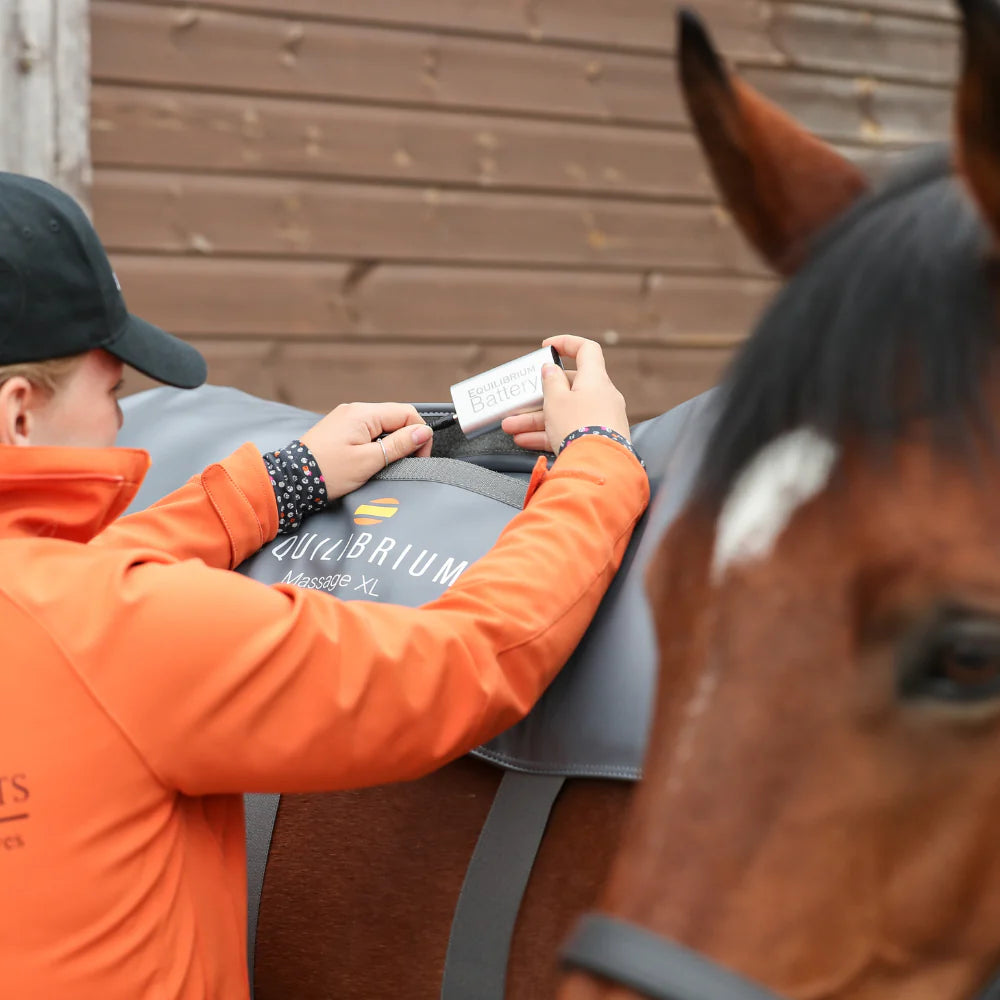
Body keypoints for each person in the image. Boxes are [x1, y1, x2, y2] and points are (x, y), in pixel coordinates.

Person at [0, 172, 649, 998]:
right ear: (20, 413)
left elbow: (62, 598)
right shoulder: (122, 635)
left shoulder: (63, 616)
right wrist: (595, 458)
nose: (122, 421)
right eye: (112, 392)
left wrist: (286, 481)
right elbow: (463, 662)